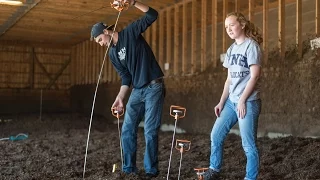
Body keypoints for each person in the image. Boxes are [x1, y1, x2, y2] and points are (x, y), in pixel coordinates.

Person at [90, 0, 165, 178]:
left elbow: (152, 15)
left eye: (100, 39)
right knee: (127, 128)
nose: (101, 43)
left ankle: (151, 171)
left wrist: (133, 3)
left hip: (154, 86)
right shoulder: (112, 54)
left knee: (150, 130)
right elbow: (126, 77)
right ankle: (129, 169)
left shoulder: (130, 33)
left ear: (106, 31)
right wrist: (120, 97)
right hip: (137, 90)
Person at [203, 12, 263, 180]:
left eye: (232, 25)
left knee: (248, 145)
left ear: (242, 25)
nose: (228, 29)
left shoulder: (251, 46)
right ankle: (214, 169)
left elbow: (255, 76)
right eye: (226, 27)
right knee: (216, 135)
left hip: (248, 102)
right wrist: (222, 102)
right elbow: (229, 79)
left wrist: (243, 100)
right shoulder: (231, 49)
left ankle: (250, 178)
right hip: (231, 102)